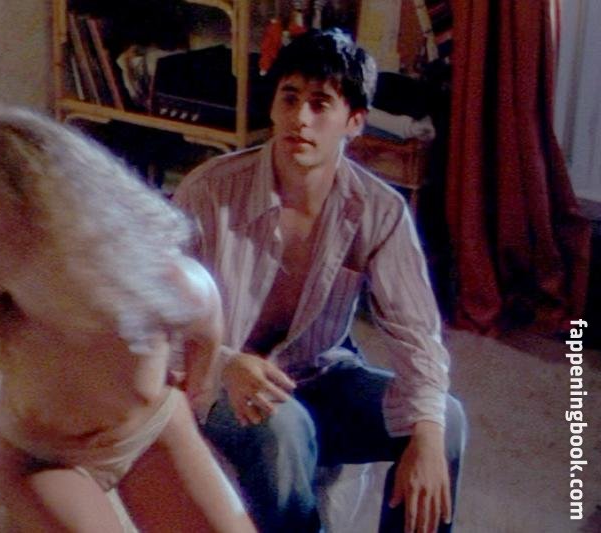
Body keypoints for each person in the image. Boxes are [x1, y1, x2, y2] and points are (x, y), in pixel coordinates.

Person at [0, 108, 256, 532]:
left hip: (152, 432)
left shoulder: (160, 284)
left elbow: (208, 322)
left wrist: (198, 386)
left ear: (39, 208)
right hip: (42, 460)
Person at [173, 29, 466, 533]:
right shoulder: (210, 191)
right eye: (289, 98)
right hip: (224, 383)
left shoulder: (379, 210)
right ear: (273, 106)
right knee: (283, 426)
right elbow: (156, 314)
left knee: (447, 421)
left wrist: (429, 435)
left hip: (320, 374)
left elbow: (417, 332)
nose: (300, 118)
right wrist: (224, 362)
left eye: (320, 103)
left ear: (354, 121)